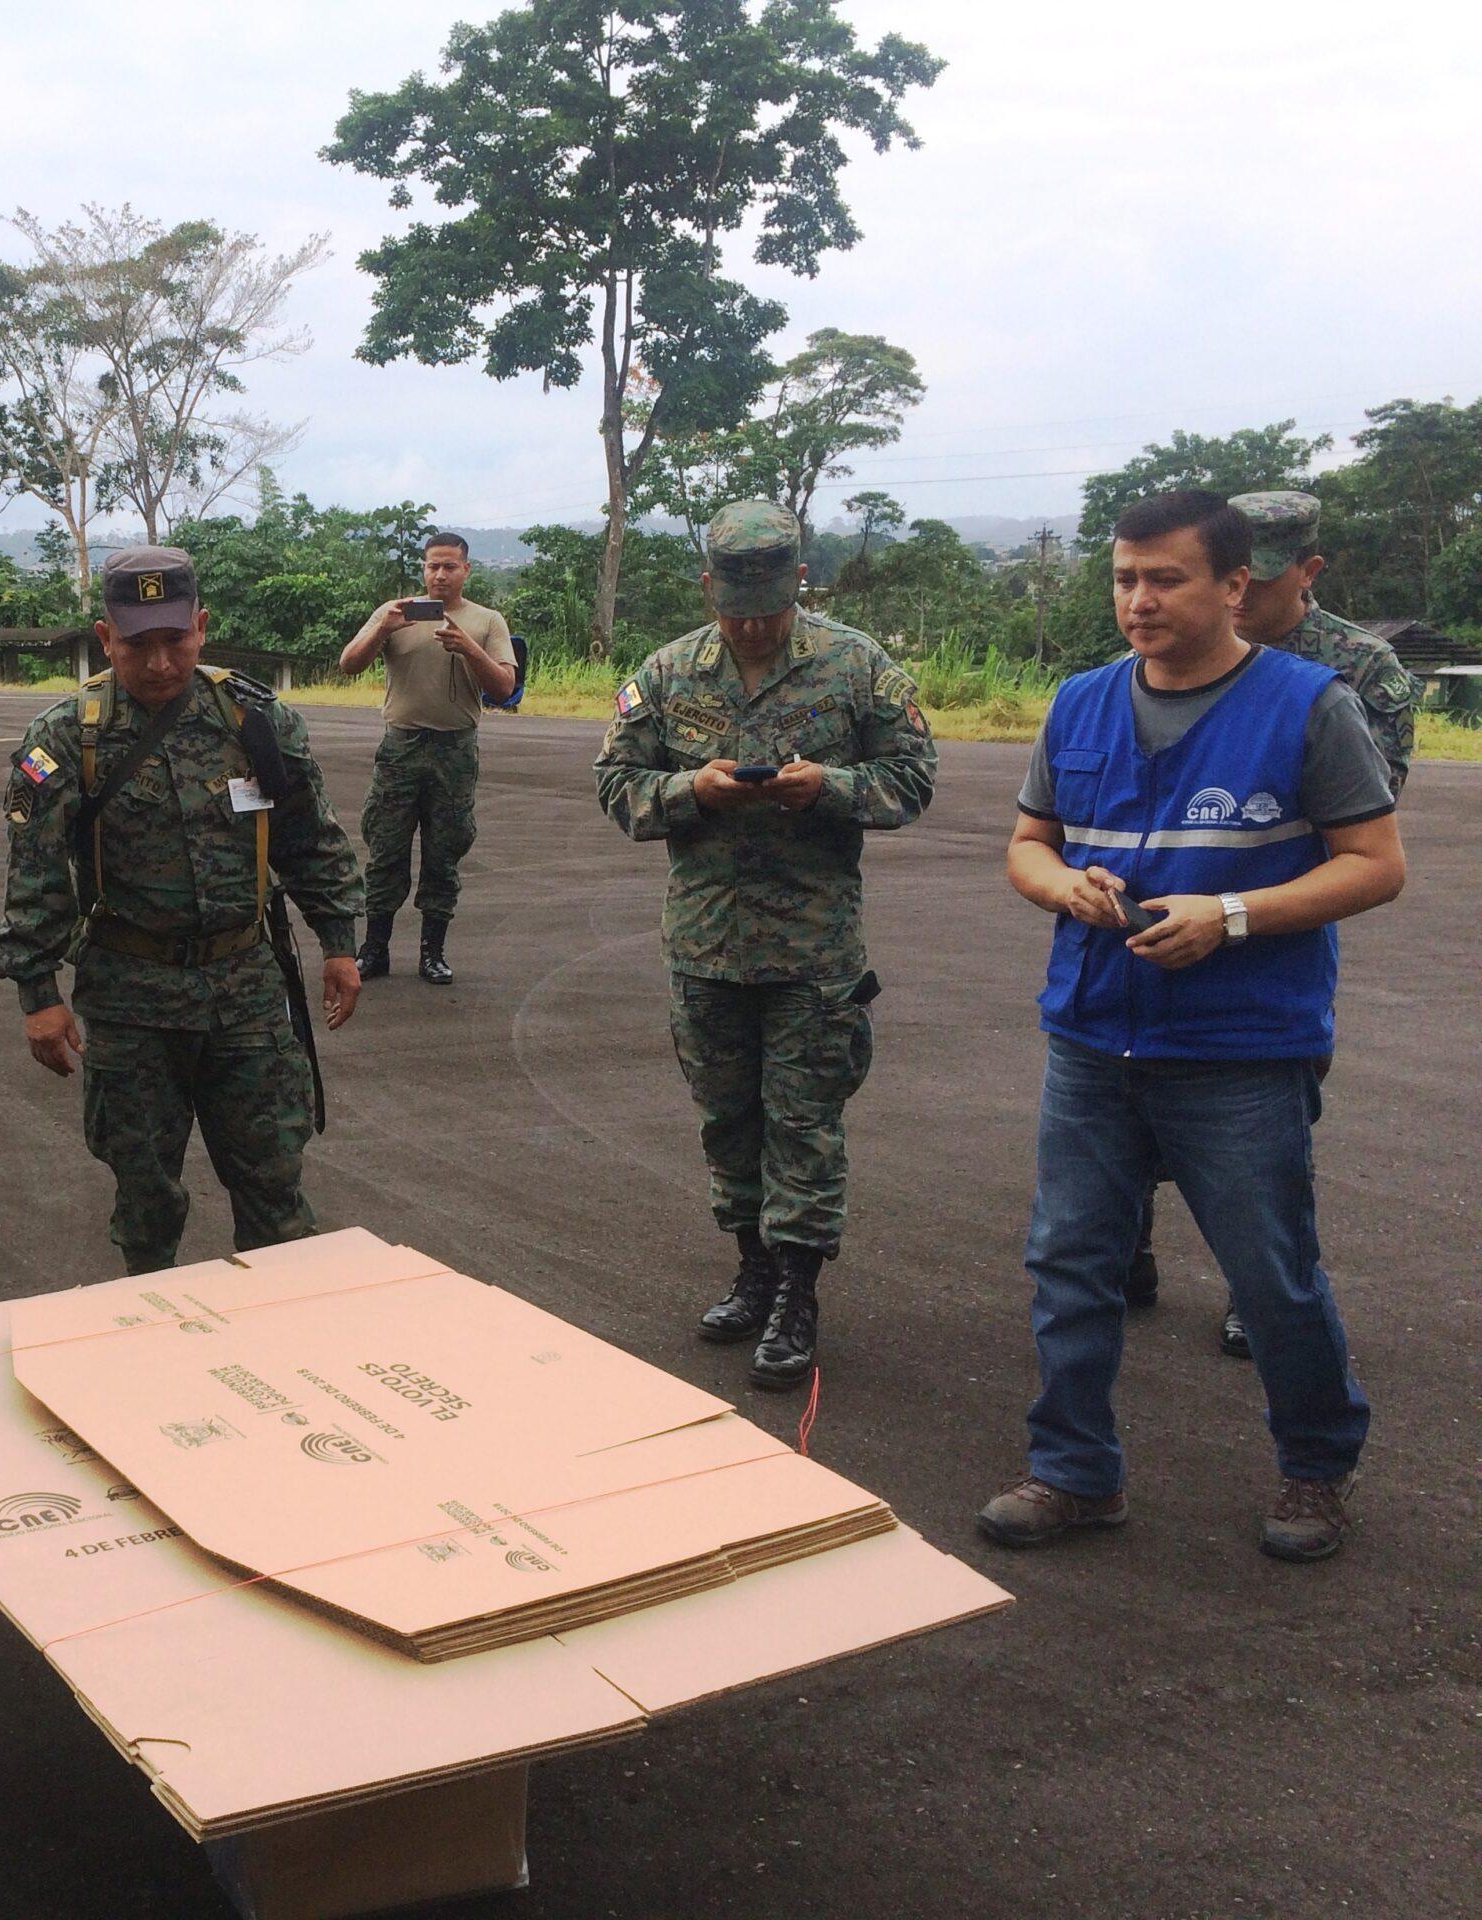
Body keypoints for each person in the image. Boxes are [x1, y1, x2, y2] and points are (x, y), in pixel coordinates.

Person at [982, 490, 1404, 1563]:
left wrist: (1231, 916)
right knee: (1070, 1264)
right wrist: (1060, 886)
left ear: (1233, 585)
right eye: (1124, 577)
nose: (1139, 599)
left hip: (1239, 1050)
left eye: (1165, 578)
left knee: (1269, 1274)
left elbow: (1374, 865)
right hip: (1091, 1036)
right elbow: (1027, 844)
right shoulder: (1079, 702)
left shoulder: (1310, 705)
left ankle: (1316, 1466)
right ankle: (1073, 1473)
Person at [592, 501, 936, 1390]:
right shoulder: (666, 673)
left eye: (768, 608)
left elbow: (912, 779)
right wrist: (690, 792)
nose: (749, 625)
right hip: (706, 946)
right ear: (708, 588)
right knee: (727, 1119)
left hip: (812, 950)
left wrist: (830, 786)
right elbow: (615, 782)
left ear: (797, 586)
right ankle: (751, 1266)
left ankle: (797, 1292)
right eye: (734, 607)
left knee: (804, 1124)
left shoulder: (855, 664)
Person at [0, 545, 366, 1274]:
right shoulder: (67, 738)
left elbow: (310, 840)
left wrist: (340, 943)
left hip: (247, 994)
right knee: (146, 1201)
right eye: (138, 644)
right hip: (133, 1005)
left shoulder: (255, 721)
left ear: (201, 625)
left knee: (275, 1193)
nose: (160, 663)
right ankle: (149, 1350)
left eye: (176, 640)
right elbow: (35, 877)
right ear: (106, 638)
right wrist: (38, 994)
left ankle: (279, 1349)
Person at [1126, 490, 1423, 1357]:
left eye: (1264, 579)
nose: (1241, 596)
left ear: (1309, 571)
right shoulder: (1173, 639)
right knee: (1126, 1099)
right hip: (1154, 912)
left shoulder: (1359, 673)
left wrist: (1237, 895)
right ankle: (1126, 1254)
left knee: (1265, 1128)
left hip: (1271, 930)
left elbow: (1361, 821)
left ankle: (1254, 1288)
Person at [340, 530, 517, 984]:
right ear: (424, 569)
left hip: (455, 750)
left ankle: (432, 953)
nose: (440, 575)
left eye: (450, 566)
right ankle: (374, 949)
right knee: (385, 852)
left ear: (466, 570)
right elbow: (349, 664)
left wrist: (468, 647)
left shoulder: (486, 621)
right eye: (433, 566)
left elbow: (504, 687)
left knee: (444, 854)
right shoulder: (393, 613)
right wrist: (383, 628)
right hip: (400, 747)